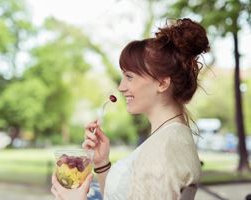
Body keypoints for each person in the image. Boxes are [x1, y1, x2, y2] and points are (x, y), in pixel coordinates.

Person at [51, 18, 210, 200]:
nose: (121, 87)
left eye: (129, 76)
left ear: (162, 83)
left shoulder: (163, 149)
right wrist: (102, 162)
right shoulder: (170, 138)